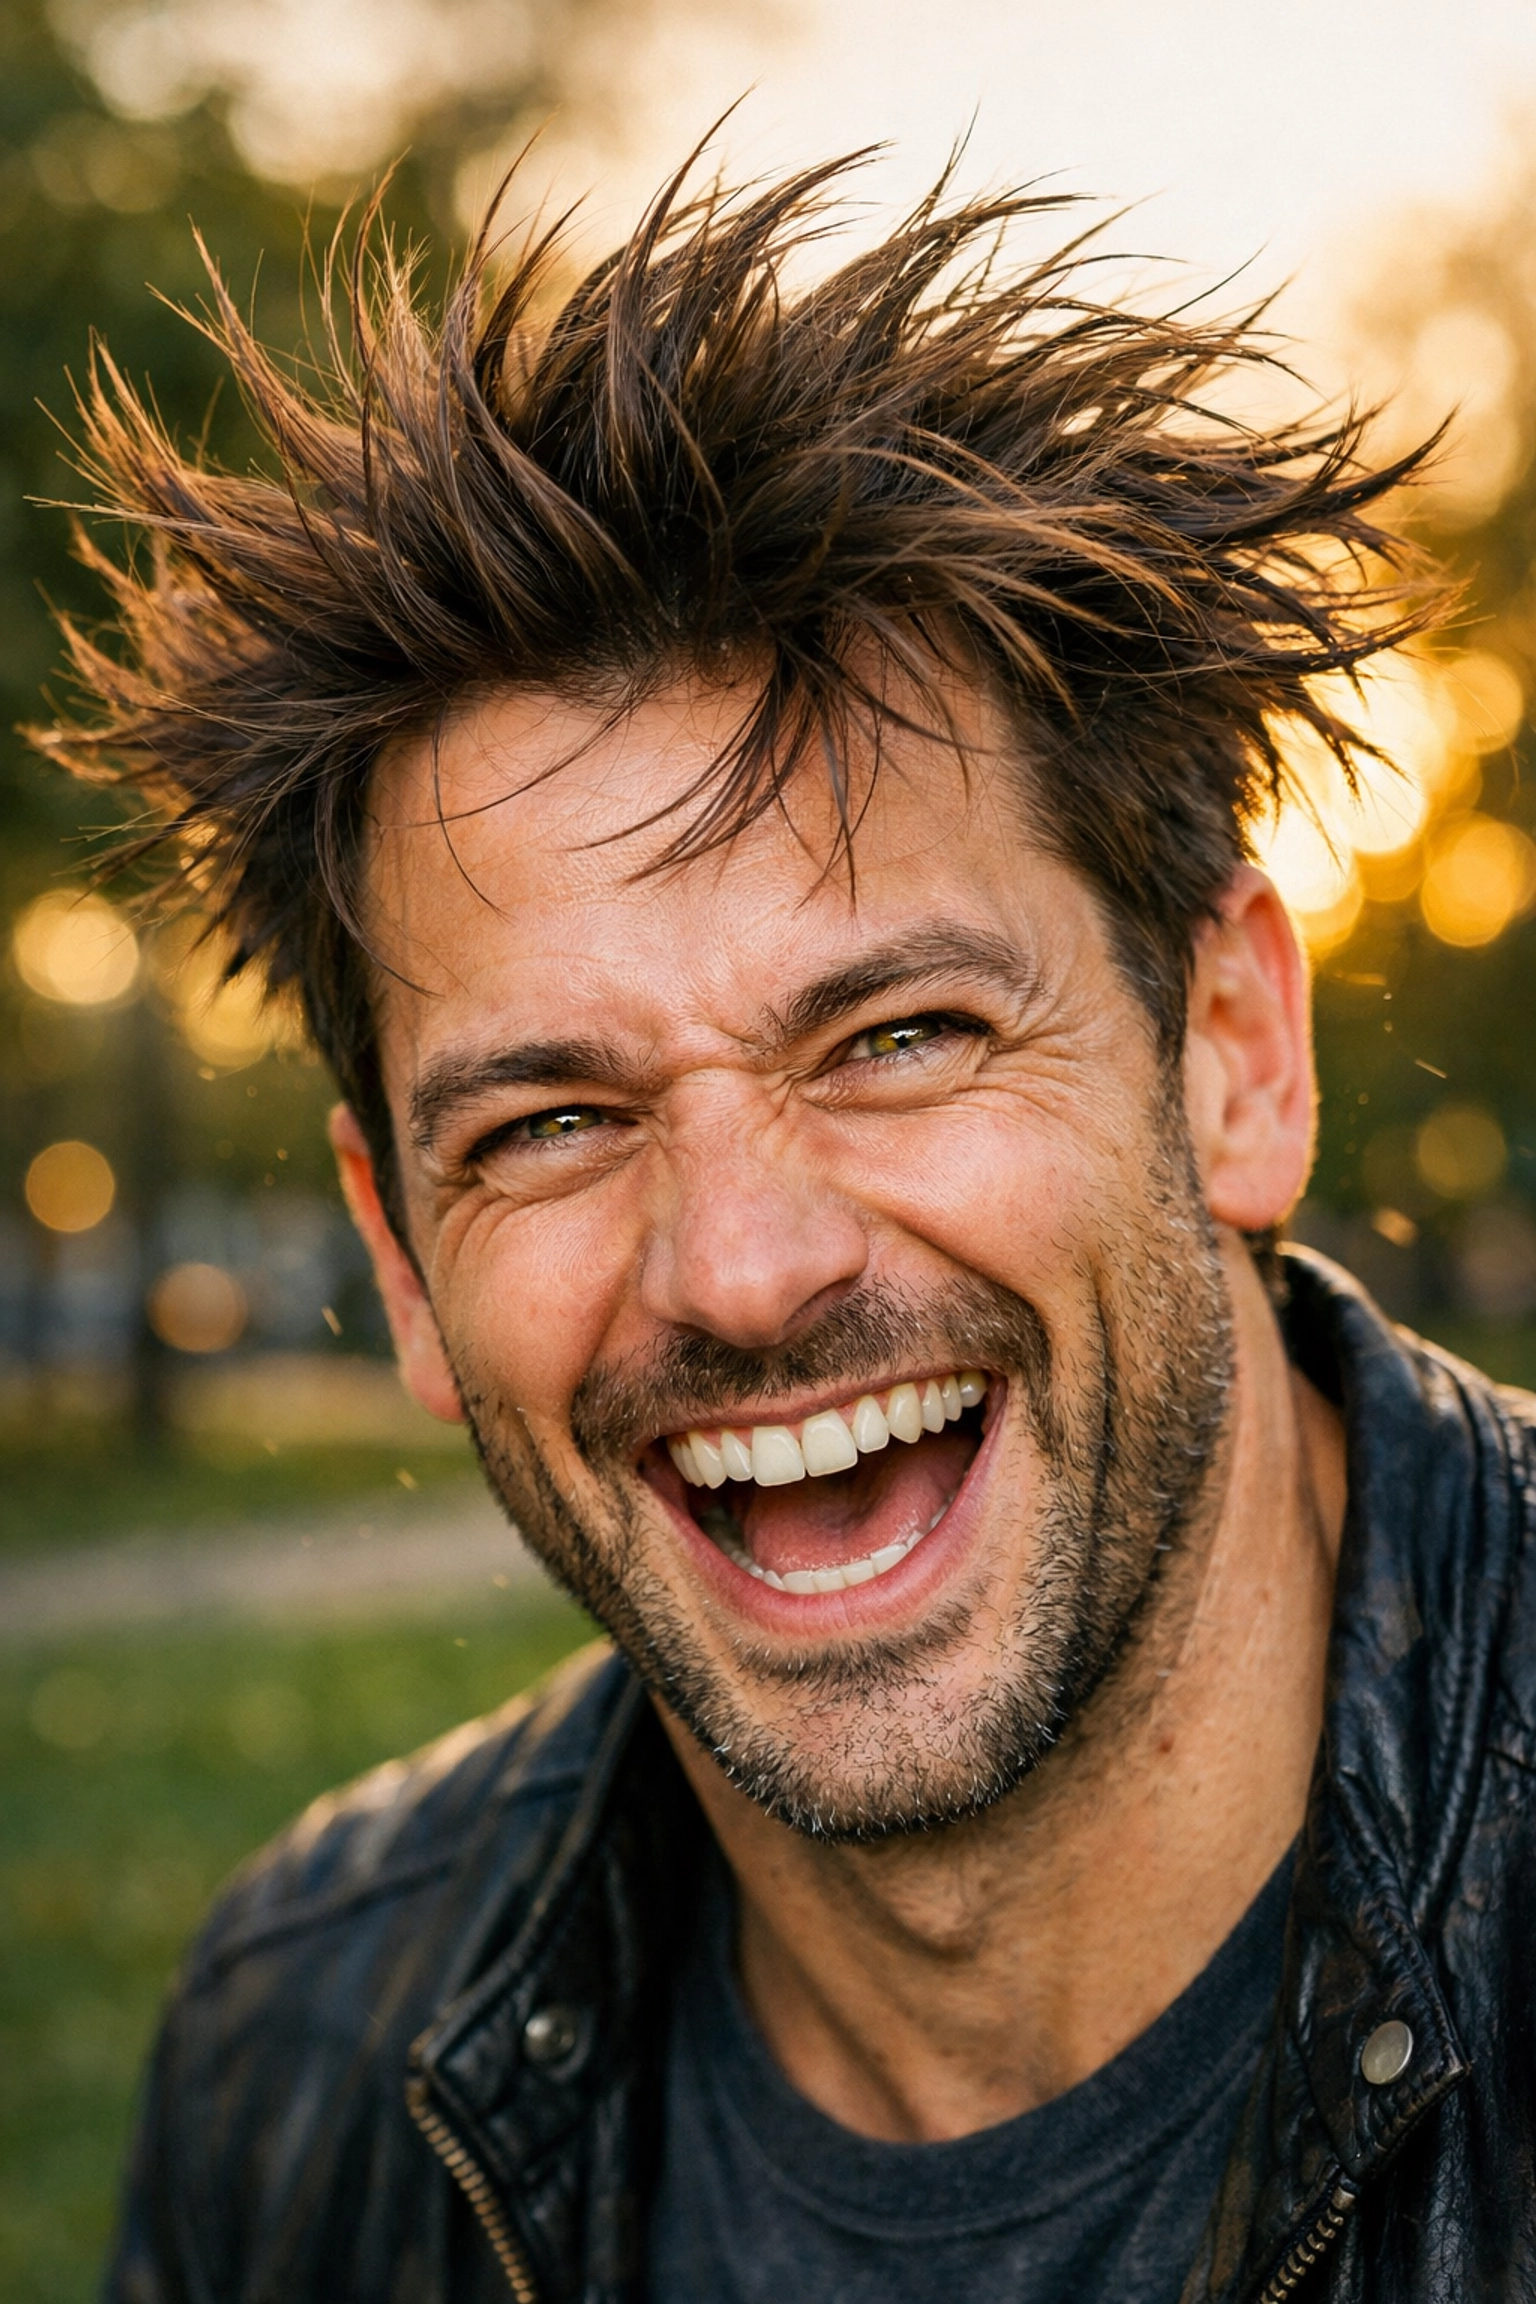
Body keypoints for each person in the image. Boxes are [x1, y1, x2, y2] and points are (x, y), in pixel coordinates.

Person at [48, 155, 1536, 2304]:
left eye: (902, 1036)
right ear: (400, 1260)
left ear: (1230, 1054)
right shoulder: (301, 2051)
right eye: (555, 1120)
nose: (743, 1271)